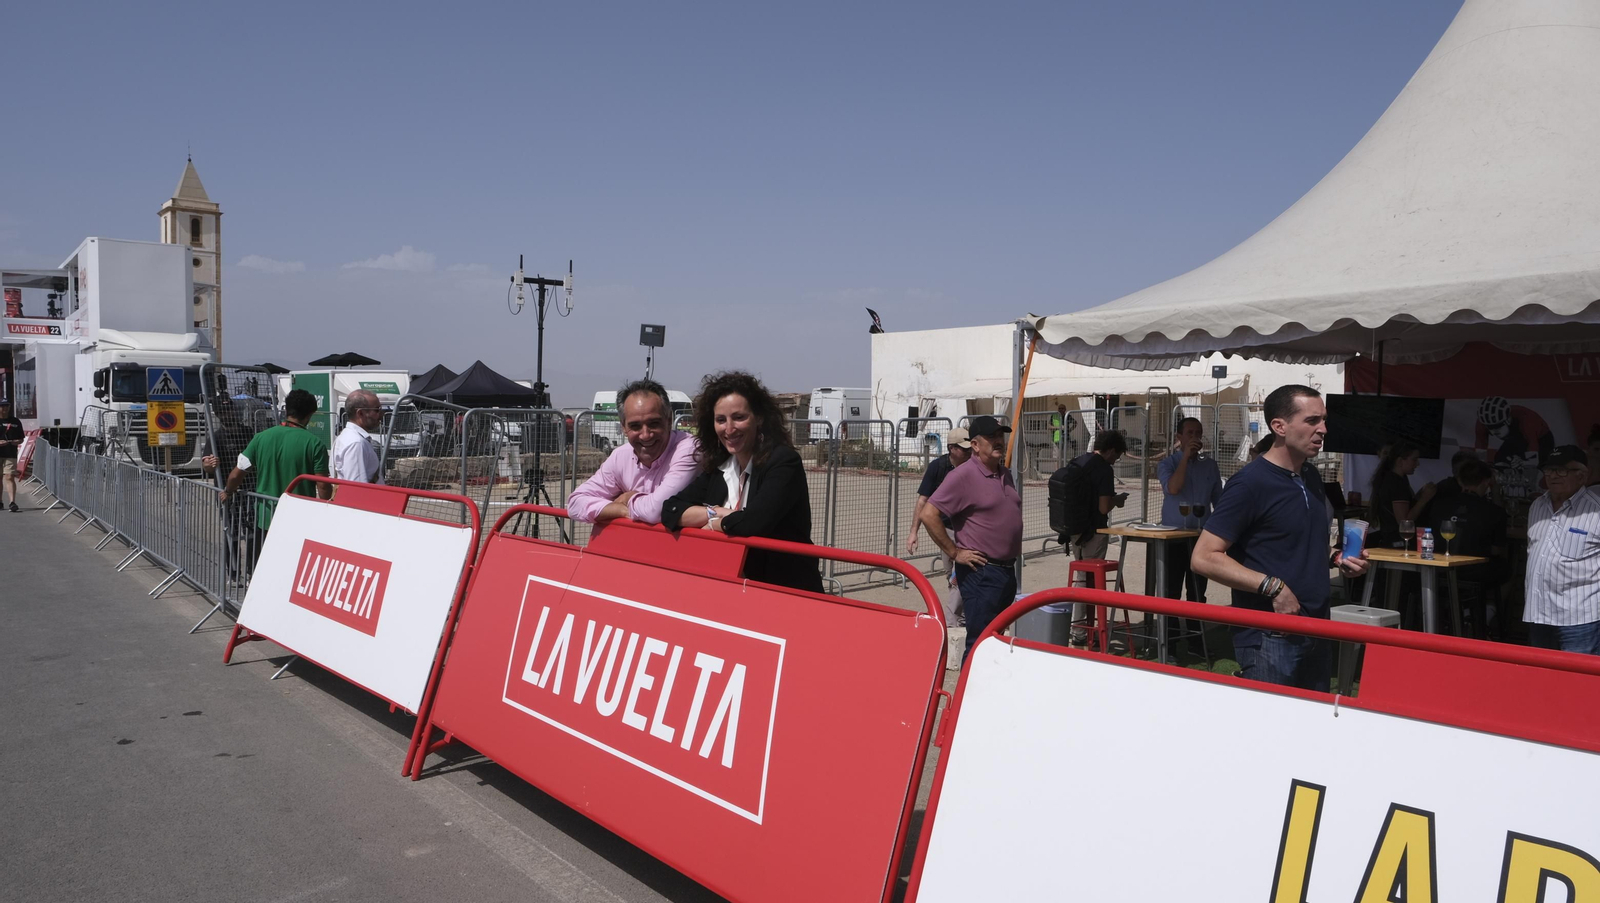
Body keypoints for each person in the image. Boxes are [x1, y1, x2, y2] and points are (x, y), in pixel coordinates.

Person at [1192, 385, 1368, 691]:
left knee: (1310, 730)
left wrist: (1337, 558)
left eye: (1324, 420)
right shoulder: (1249, 484)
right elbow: (1204, 557)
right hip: (1269, 634)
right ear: (1279, 426)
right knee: (1269, 734)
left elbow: (1297, 540)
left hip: (1317, 626)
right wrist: (1273, 587)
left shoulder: (1311, 476)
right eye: (1312, 420)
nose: (1323, 429)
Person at [661, 371, 822, 593]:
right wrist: (714, 513)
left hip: (785, 590)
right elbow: (670, 509)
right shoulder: (720, 468)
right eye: (720, 420)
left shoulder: (783, 462)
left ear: (759, 418)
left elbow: (753, 524)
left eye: (739, 417)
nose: (729, 429)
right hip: (734, 590)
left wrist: (713, 524)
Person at [920, 416, 1022, 662]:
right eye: (992, 437)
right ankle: (967, 696)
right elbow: (929, 513)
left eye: (1001, 436)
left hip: (1006, 572)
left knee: (995, 640)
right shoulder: (963, 476)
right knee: (979, 642)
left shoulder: (1003, 472)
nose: (999, 441)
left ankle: (987, 693)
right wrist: (954, 552)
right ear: (975, 445)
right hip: (982, 573)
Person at [567, 378, 698, 525]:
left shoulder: (689, 449)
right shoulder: (620, 456)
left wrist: (628, 498)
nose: (645, 435)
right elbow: (575, 503)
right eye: (635, 426)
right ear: (623, 427)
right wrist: (620, 509)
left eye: (653, 423)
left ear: (669, 420)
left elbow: (657, 511)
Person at [218, 389, 332, 537]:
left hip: (265, 517)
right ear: (309, 414)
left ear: (287, 410)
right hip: (299, 518)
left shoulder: (260, 438)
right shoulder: (315, 444)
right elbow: (323, 486)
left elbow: (236, 474)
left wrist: (228, 491)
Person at [1523, 446, 1600, 655]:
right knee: (1541, 677)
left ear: (1582, 475)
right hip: (1538, 613)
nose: (1553, 476)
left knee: (1579, 682)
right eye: (1549, 470)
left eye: (1562, 470)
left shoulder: (1596, 509)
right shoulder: (1537, 505)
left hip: (1579, 618)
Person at [1053, 431, 1128, 644]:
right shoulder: (1103, 469)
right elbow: (1103, 507)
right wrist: (1117, 500)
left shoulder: (1078, 461)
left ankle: (1078, 629)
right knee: (1090, 583)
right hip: (1095, 530)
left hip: (1074, 529)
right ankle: (1082, 631)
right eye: (1117, 455)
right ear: (1111, 450)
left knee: (1081, 579)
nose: (1116, 460)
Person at [1429, 458, 1509, 637]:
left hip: (1439, 569)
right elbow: (1497, 549)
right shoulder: (1494, 511)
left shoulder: (1439, 504)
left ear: (1459, 480)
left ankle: (1465, 611)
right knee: (1508, 569)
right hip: (1476, 572)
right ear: (1487, 482)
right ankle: (1486, 614)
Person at [907, 427, 973, 627]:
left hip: (967, 529)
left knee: (960, 577)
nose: (968, 452)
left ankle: (954, 624)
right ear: (952, 448)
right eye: (964, 449)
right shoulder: (937, 467)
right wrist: (913, 532)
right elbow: (922, 502)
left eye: (970, 448)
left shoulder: (973, 467)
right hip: (945, 531)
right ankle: (960, 618)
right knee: (951, 576)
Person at [1157, 416, 1223, 613]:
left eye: (1198, 433)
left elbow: (1218, 501)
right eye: (1190, 433)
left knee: (1197, 592)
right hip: (1173, 536)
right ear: (1180, 437)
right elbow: (1173, 488)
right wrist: (1185, 458)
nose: (1195, 437)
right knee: (1171, 591)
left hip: (1200, 537)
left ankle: (1196, 641)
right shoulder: (1167, 464)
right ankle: (1170, 640)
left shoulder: (1210, 465)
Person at [1367, 440, 1436, 549]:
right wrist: (1424, 499)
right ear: (1400, 461)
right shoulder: (1396, 483)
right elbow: (1404, 522)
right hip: (1398, 541)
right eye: (1414, 460)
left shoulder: (1398, 479)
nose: (1417, 464)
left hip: (1392, 537)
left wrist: (1419, 496)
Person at [332, 389, 384, 484]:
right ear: (360, 413)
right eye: (377, 410)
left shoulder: (347, 437)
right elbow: (357, 488)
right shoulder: (356, 443)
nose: (381, 415)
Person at [0, 400, 23, 512]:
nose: (5, 409)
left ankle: (12, 502)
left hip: (10, 453)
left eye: (7, 406)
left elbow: (21, 438)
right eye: (2, 406)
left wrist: (16, 441)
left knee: (9, 476)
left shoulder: (15, 421)